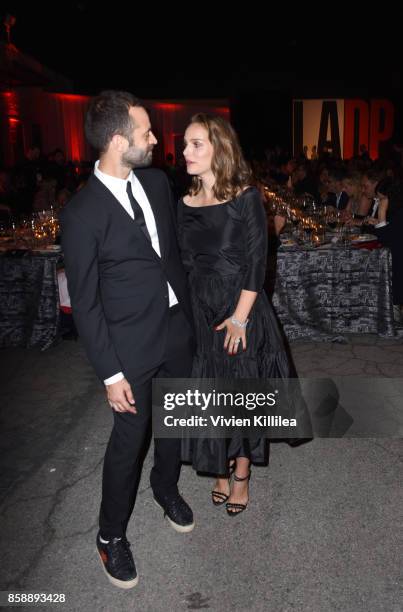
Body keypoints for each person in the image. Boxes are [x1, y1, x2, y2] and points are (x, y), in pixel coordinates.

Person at [60, 91, 195, 589]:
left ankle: (166, 488)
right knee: (128, 442)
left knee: (175, 422)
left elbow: (175, 252)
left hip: (177, 330)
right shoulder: (82, 213)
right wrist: (110, 373)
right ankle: (110, 535)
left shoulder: (157, 183)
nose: (157, 139)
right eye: (146, 133)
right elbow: (86, 303)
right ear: (119, 142)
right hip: (129, 349)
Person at [178, 113, 297, 516]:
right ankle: (218, 465)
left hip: (239, 306)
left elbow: (256, 262)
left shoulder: (247, 196)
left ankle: (242, 471)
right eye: (185, 143)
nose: (185, 151)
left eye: (196, 144)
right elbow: (181, 262)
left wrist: (240, 318)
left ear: (220, 147)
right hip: (201, 307)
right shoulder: (185, 201)